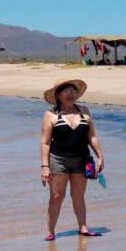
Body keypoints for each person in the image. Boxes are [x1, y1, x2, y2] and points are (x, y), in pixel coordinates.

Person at [40, 79, 105, 240]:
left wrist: (100, 156)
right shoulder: (50, 115)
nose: (71, 93)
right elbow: (45, 143)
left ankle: (83, 228)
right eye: (67, 90)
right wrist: (45, 166)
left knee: (78, 196)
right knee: (56, 196)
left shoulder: (84, 111)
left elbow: (92, 137)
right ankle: (51, 232)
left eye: (73, 91)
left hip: (82, 160)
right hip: (58, 161)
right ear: (58, 95)